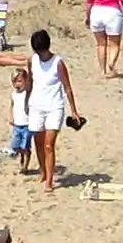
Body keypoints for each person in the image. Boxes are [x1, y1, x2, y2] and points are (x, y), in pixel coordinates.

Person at [20, 29, 75, 191]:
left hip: (54, 107)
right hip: (36, 106)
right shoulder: (32, 61)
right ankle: (43, 171)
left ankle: (49, 181)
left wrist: (74, 110)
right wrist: (26, 101)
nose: (40, 54)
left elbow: (67, 87)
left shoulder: (58, 63)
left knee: (49, 145)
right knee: (38, 143)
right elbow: (31, 82)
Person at [6, 69, 34, 175]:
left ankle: (25, 167)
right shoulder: (14, 94)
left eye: (20, 81)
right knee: (15, 145)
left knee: (25, 146)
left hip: (27, 125)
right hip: (17, 125)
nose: (17, 84)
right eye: (15, 81)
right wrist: (11, 117)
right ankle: (21, 157)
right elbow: (12, 105)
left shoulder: (27, 93)